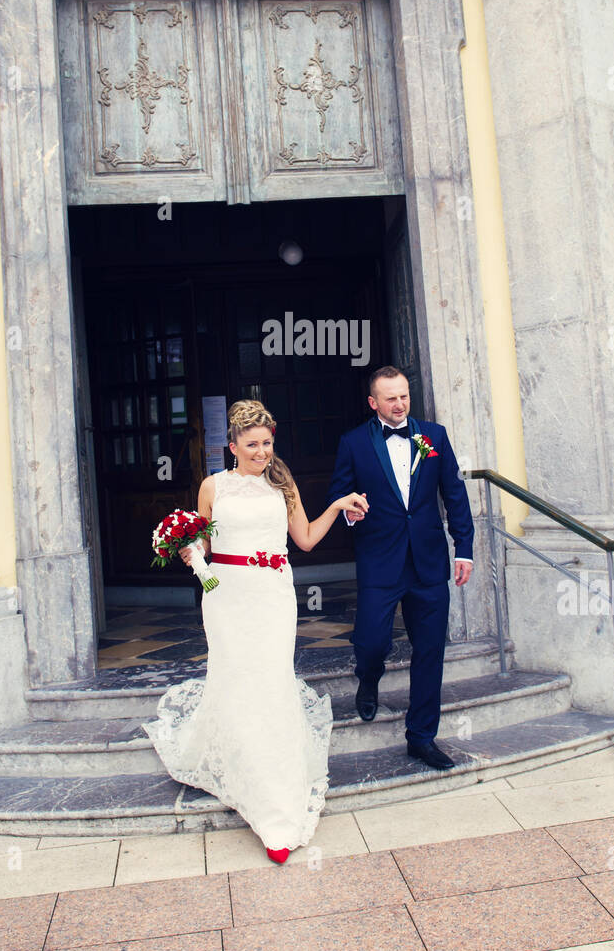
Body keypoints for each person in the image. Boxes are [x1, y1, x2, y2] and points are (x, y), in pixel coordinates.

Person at [141, 398, 368, 864]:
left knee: (270, 681)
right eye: (253, 445)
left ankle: (277, 805)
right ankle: (246, 777)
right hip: (226, 597)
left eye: (267, 443)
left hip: (273, 595)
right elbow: (202, 537)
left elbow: (304, 539)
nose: (263, 452)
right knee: (237, 679)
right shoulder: (212, 486)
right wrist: (193, 553)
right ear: (232, 446)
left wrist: (338, 505)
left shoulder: (283, 486)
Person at [327, 365, 474, 769]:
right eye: (391, 398)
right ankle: (368, 677)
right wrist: (351, 513)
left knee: (430, 652)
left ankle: (422, 737)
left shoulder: (434, 435)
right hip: (380, 560)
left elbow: (454, 494)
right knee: (372, 641)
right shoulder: (354, 442)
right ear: (374, 402)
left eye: (404, 396)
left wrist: (464, 548)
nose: (400, 404)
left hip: (428, 562)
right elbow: (340, 494)